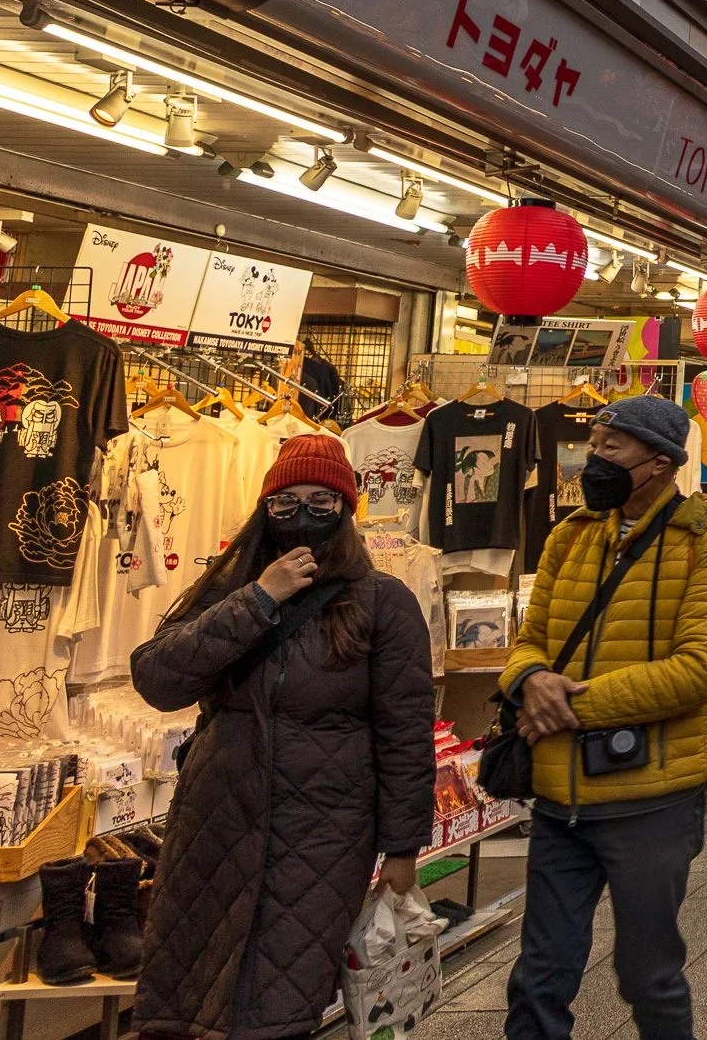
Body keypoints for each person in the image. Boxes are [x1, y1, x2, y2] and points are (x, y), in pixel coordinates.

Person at [129, 436, 435, 1040]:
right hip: (214, 823)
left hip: (321, 834)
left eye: (322, 500)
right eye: (286, 500)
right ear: (263, 508)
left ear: (346, 511)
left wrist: (402, 850)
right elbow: (158, 679)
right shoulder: (231, 587)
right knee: (184, 997)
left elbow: (405, 731)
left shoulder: (382, 603)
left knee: (279, 1002)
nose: (303, 513)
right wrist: (258, 599)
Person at [498, 395, 707, 1040]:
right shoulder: (571, 535)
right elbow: (527, 642)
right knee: (538, 978)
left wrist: (569, 706)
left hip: (650, 801)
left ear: (658, 463)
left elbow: (701, 668)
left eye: (612, 447)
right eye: (595, 442)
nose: (593, 457)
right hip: (560, 801)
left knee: (649, 978)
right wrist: (528, 679)